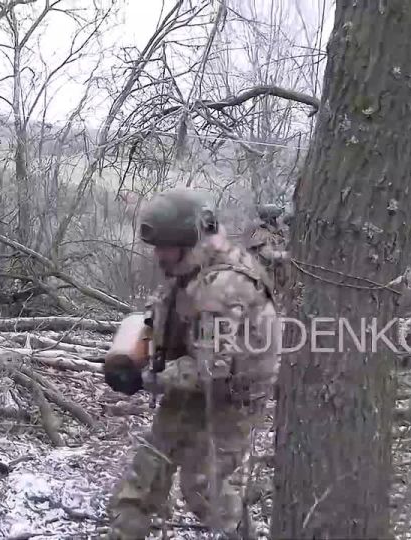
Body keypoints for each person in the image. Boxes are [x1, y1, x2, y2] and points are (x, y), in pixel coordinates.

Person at [102, 188, 281, 540]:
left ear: (187, 241)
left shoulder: (223, 288)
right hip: (190, 385)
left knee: (203, 487)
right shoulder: (196, 266)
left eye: (162, 247)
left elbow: (210, 368)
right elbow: (172, 311)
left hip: (230, 400)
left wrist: (144, 380)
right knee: (145, 474)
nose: (157, 256)